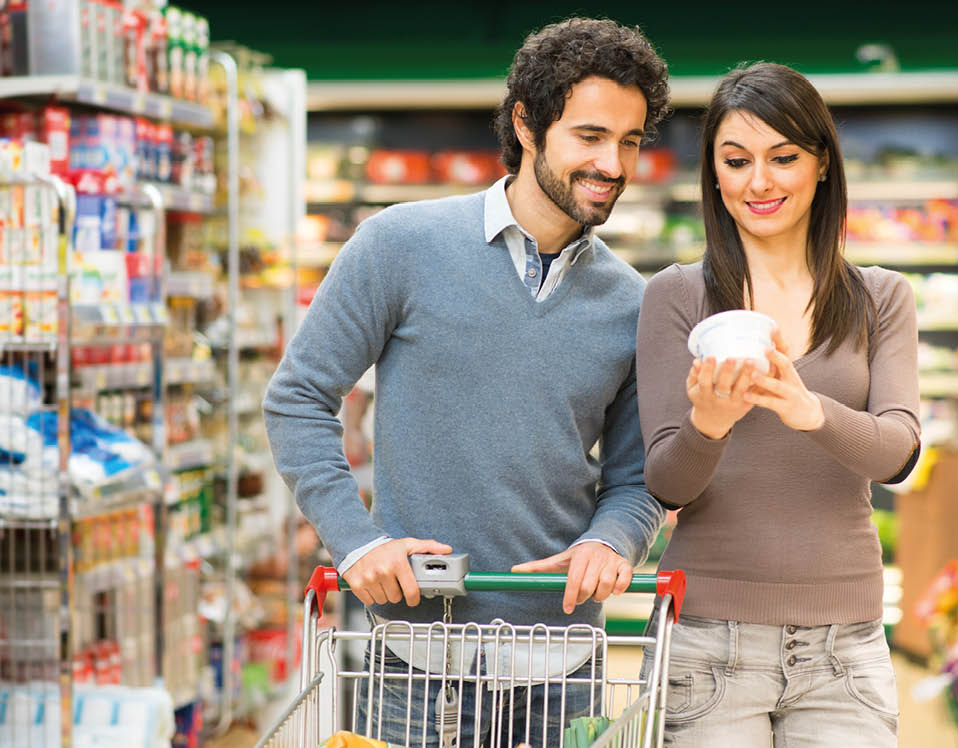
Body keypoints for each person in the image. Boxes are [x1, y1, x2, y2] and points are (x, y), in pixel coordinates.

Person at [263, 17, 670, 747]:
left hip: (562, 660)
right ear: (525, 123)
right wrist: (354, 543)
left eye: (631, 141)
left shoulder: (632, 303)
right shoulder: (399, 245)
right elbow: (298, 398)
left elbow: (635, 476)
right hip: (419, 654)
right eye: (589, 136)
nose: (612, 163)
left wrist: (613, 542)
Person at [635, 62, 920, 747]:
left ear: (821, 163)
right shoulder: (675, 297)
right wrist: (709, 424)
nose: (758, 182)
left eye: (782, 157)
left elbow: (897, 452)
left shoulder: (880, 298)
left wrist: (807, 408)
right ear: (714, 175)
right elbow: (665, 481)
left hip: (844, 650)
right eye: (735, 161)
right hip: (706, 645)